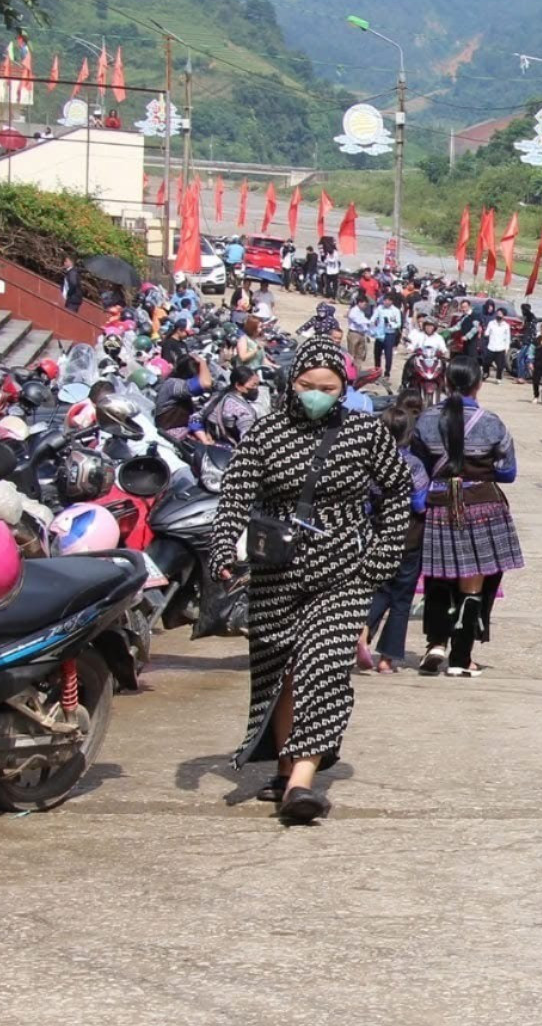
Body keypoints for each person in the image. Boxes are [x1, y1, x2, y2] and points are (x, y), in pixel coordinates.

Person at [207, 335, 413, 824]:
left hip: (343, 571)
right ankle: (283, 771)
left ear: (342, 388)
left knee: (323, 668)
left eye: (328, 386)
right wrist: (222, 548)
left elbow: (399, 491)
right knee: (282, 673)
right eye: (307, 384)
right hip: (275, 572)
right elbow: (235, 495)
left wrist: (381, 558)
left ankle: (301, 783)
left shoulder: (366, 433)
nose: (317, 393)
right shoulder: (266, 432)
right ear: (291, 383)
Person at [412, 358, 523, 677]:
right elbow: (508, 472)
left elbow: (418, 466)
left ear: (446, 382)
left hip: (440, 504)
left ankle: (435, 644)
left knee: (437, 575)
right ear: (478, 384)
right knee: (474, 583)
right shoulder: (492, 423)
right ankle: (461, 656)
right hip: (483, 507)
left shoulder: (425, 421)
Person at [360, 397, 430, 674]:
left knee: (379, 589)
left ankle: (362, 628)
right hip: (408, 537)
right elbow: (419, 503)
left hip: (376, 534)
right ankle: (387, 660)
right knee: (401, 597)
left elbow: (363, 502)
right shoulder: (413, 465)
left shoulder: (369, 462)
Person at [191, 366, 264, 447]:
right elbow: (248, 440)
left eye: (258, 385)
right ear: (238, 386)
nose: (256, 389)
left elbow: (195, 418)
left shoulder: (217, 398)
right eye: (253, 385)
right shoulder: (243, 411)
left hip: (210, 446)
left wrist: (204, 439)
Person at [152, 354, 211, 439]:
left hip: (186, 432)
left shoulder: (182, 391)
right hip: (170, 434)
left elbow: (194, 417)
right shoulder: (172, 384)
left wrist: (204, 435)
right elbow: (206, 383)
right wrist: (203, 363)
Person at [371, 295, 404, 377]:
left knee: (388, 355)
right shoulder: (379, 308)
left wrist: (390, 324)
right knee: (377, 353)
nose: (386, 302)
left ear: (391, 301)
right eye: (385, 300)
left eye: (388, 300)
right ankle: (377, 372)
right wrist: (372, 328)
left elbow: (398, 324)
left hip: (390, 334)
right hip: (379, 334)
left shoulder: (396, 310)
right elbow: (373, 319)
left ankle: (387, 373)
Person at [483, 310, 513, 382]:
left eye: (500, 314)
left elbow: (507, 338)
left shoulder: (506, 326)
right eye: (498, 314)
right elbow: (487, 332)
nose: (499, 316)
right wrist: (486, 334)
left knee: (500, 365)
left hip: (500, 347)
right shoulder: (491, 323)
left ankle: (498, 378)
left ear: (503, 316)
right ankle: (486, 373)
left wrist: (507, 348)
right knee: (486, 362)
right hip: (491, 346)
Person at [345, 295, 372, 369]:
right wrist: (370, 321)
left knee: (360, 355)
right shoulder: (353, 311)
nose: (365, 306)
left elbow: (364, 326)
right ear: (360, 302)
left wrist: (367, 334)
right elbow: (359, 321)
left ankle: (357, 371)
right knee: (351, 355)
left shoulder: (361, 312)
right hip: (354, 334)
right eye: (364, 304)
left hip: (361, 334)